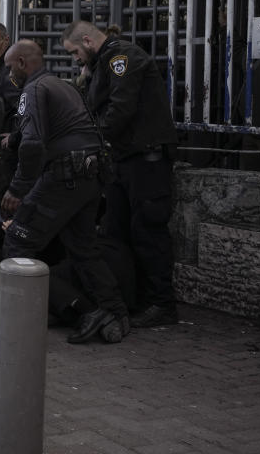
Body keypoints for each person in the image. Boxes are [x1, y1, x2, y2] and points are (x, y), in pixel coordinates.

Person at [0, 40, 130, 343]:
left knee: (17, 244)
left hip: (64, 176)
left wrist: (17, 189)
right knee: (83, 248)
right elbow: (54, 128)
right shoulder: (61, 84)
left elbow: (34, 144)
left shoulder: (31, 90)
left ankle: (18, 324)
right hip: (89, 176)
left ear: (21, 62)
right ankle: (114, 311)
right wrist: (15, 139)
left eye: (9, 68)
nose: (8, 76)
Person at [61, 20, 179, 328]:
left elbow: (119, 110)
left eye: (75, 52)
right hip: (124, 161)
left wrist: (88, 140)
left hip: (145, 160)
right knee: (116, 232)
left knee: (148, 231)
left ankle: (161, 303)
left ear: (87, 41)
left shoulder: (122, 58)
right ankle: (134, 297)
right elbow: (93, 107)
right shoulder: (102, 64)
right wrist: (85, 80)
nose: (75, 60)